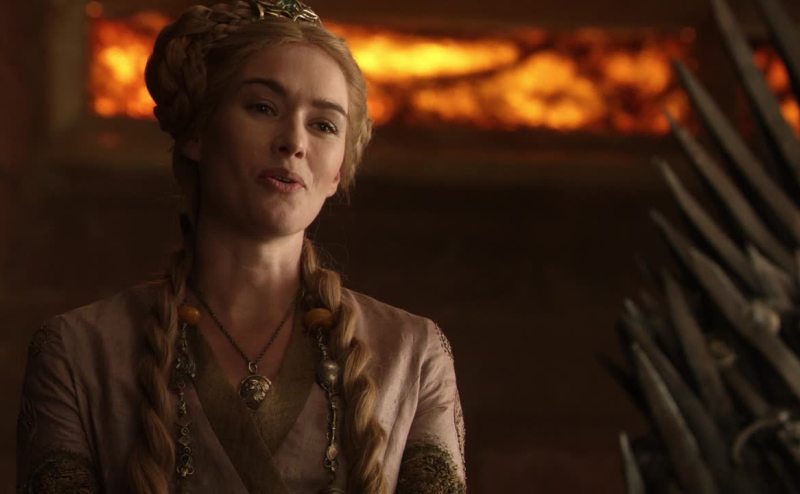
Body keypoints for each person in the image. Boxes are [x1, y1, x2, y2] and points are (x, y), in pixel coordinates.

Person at [15, 1, 466, 492]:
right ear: (197, 132)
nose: (293, 142)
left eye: (324, 125)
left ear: (338, 171)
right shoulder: (80, 351)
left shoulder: (411, 353)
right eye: (263, 108)